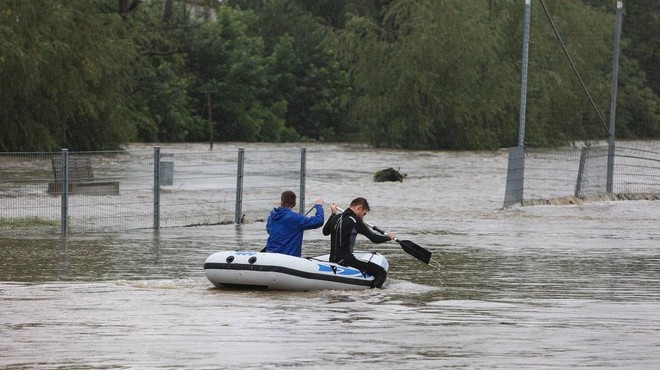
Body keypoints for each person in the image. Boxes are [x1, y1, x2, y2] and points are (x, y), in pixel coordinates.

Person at [322, 197, 395, 288]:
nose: (362, 216)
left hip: (332, 259)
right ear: (359, 208)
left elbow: (325, 232)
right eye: (364, 214)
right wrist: (388, 237)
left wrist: (333, 213)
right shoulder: (355, 221)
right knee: (381, 272)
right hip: (347, 260)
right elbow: (374, 238)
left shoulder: (336, 217)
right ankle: (373, 295)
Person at [265, 191, 325, 257]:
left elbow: (268, 230)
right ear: (294, 204)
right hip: (288, 257)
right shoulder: (296, 218)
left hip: (270, 254)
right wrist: (319, 206)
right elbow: (319, 221)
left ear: (281, 202)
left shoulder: (271, 216)